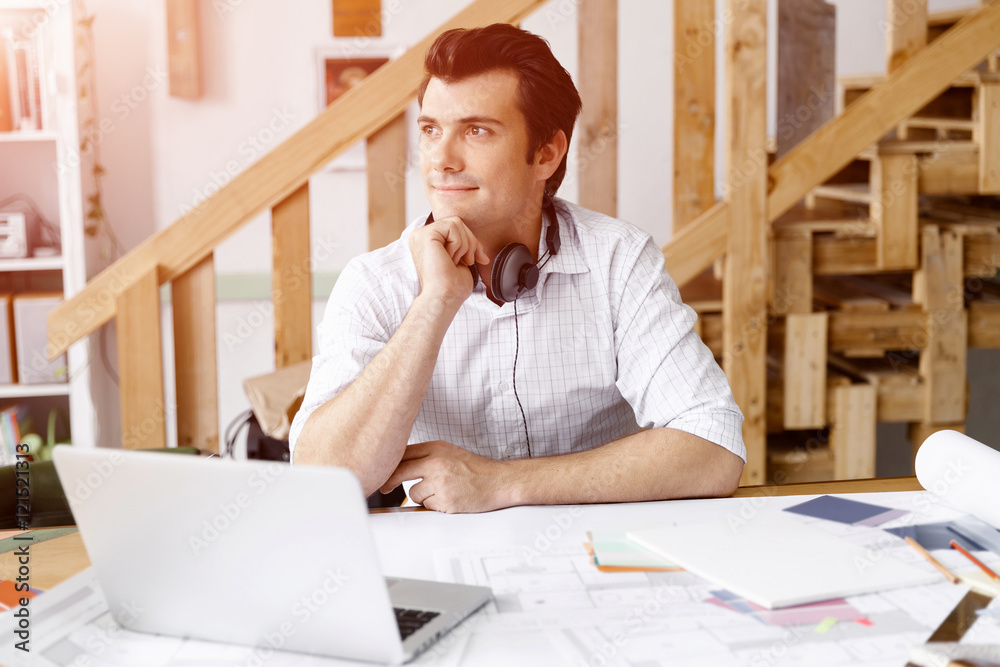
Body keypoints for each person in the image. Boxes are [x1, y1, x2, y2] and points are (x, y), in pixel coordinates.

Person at [290, 23, 745, 513]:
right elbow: (319, 480)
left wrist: (502, 484)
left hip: (595, 545)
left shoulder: (619, 259)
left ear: (546, 153)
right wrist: (434, 303)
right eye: (430, 130)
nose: (441, 160)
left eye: (477, 131)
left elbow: (713, 447)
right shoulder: (374, 283)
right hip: (445, 553)